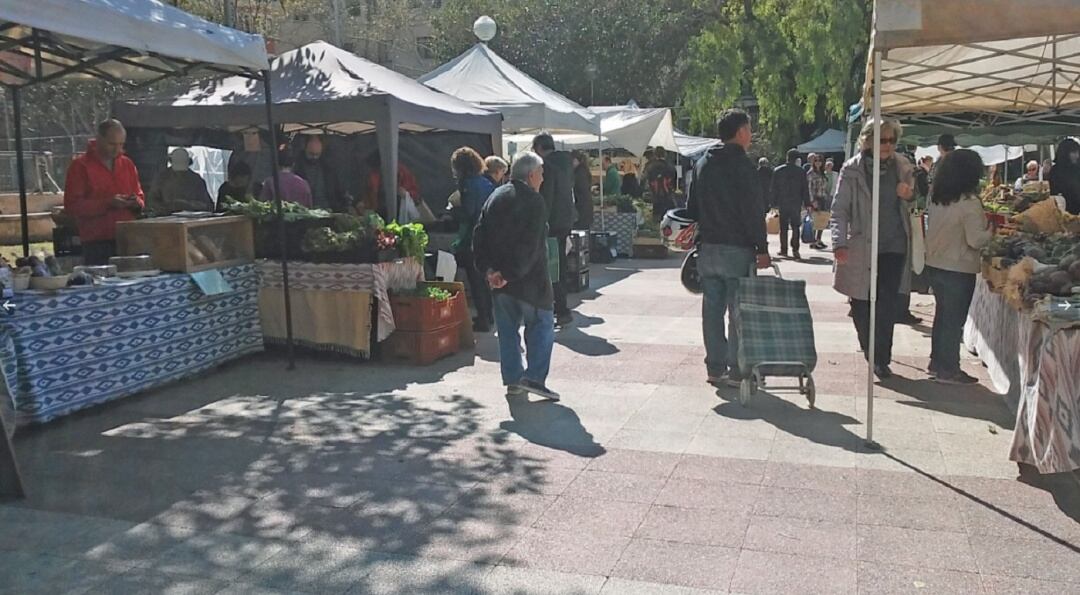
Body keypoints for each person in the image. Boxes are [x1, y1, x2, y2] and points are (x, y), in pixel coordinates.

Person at [686, 108, 770, 386]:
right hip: (738, 248)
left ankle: (715, 367)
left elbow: (692, 208)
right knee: (738, 310)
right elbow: (753, 211)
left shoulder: (702, 164)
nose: (751, 133)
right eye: (749, 128)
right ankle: (737, 368)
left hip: (708, 247)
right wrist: (762, 247)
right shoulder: (744, 167)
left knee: (711, 309)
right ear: (741, 132)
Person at [831, 119, 916, 379]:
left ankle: (881, 358)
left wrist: (909, 195)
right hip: (861, 244)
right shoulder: (852, 170)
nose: (888, 145)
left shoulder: (903, 167)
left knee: (887, 302)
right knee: (861, 301)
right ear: (867, 140)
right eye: (882, 140)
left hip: (894, 244)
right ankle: (869, 349)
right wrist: (839, 242)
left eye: (892, 140)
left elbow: (918, 200)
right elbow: (839, 209)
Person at [473, 151, 559, 401]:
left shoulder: (495, 195)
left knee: (508, 331)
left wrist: (489, 271)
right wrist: (508, 274)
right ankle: (533, 377)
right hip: (529, 280)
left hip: (500, 281)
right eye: (541, 174)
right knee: (541, 325)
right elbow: (530, 245)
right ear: (531, 175)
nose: (542, 179)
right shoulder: (534, 201)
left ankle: (513, 379)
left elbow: (479, 236)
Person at [924, 149, 994, 385]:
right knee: (953, 321)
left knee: (942, 316)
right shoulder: (970, 203)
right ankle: (949, 368)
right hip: (958, 266)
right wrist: (991, 231)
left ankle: (937, 362)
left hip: (935, 263)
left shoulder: (937, 198)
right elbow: (976, 240)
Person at [63, 119, 145, 266]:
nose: (117, 149)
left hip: (127, 239)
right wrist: (108, 203)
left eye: (121, 144)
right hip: (96, 243)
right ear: (99, 139)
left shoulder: (127, 164)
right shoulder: (80, 166)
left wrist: (136, 203)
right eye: (112, 144)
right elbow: (72, 206)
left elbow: (140, 197)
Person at [450, 147, 497, 332]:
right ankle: (489, 315)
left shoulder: (468, 184)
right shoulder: (486, 182)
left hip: (472, 236)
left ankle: (483, 318)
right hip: (488, 235)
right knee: (484, 277)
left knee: (475, 278)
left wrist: (453, 211)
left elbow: (468, 212)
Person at [532, 133, 576, 328]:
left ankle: (560, 309)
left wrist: (541, 222)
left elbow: (547, 199)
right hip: (566, 220)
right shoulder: (566, 164)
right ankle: (561, 308)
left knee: (552, 268)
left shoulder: (547, 168)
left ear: (539, 148)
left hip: (552, 224)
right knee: (559, 265)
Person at [146, 148, 214, 216]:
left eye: (182, 161)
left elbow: (208, 206)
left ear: (188, 162)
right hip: (165, 220)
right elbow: (151, 202)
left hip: (191, 221)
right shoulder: (161, 178)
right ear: (171, 161)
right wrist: (167, 208)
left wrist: (186, 205)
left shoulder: (196, 180)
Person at [770, 148, 810, 259]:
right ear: (796, 159)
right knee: (796, 226)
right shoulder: (801, 172)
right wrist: (807, 203)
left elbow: (774, 188)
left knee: (783, 227)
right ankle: (795, 249)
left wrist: (773, 203)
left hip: (783, 202)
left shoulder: (778, 171)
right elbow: (804, 189)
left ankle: (784, 249)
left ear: (787, 157)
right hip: (796, 202)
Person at [359, 152, 422, 218]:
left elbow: (416, 194)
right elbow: (368, 197)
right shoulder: (372, 176)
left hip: (402, 215)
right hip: (379, 216)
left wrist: (406, 194)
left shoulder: (402, 172)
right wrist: (363, 205)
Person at [294, 135, 347, 211]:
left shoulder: (328, 168)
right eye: (311, 154)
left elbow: (337, 190)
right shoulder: (297, 166)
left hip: (327, 210)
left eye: (317, 154)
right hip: (304, 211)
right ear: (305, 148)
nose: (314, 157)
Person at [1048, 138, 1080, 215]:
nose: (1077, 156)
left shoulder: (1077, 169)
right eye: (1074, 153)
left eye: (1078, 152)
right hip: (1063, 212)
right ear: (1065, 153)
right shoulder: (1055, 171)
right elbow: (1054, 193)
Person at [645, 148, 678, 220]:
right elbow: (674, 181)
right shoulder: (670, 166)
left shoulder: (650, 167)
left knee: (656, 220)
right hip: (668, 197)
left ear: (655, 154)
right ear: (665, 154)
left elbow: (648, 182)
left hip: (655, 197)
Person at [807, 153, 831, 249]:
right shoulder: (810, 173)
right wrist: (812, 201)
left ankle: (819, 239)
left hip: (823, 197)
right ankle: (812, 241)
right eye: (816, 160)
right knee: (815, 219)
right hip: (815, 198)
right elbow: (809, 188)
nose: (818, 162)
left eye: (820, 161)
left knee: (822, 219)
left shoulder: (822, 173)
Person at [572, 151, 594, 231]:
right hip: (586, 208)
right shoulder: (584, 170)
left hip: (581, 209)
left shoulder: (579, 173)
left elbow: (581, 189)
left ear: (575, 160)